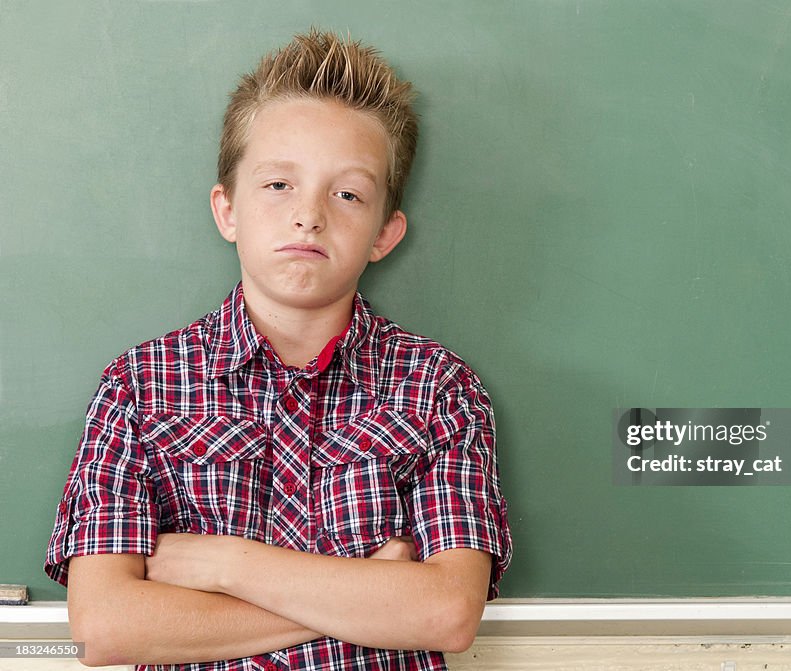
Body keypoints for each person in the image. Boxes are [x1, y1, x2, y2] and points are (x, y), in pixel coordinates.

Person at [44, 28, 511, 670]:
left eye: (348, 193)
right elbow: (106, 627)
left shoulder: (439, 390)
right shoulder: (138, 388)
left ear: (385, 233)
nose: (309, 215)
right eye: (278, 186)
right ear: (227, 209)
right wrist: (366, 596)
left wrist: (223, 564)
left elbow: (447, 615)